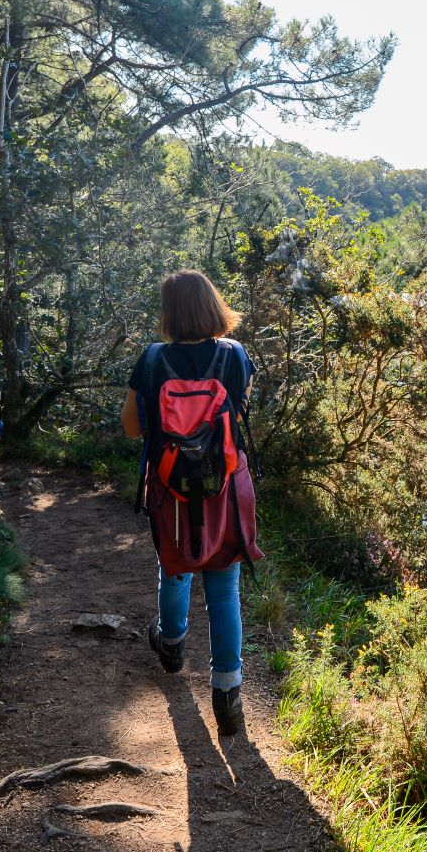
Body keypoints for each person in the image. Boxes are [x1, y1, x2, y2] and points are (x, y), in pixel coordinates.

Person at [122, 269, 257, 736]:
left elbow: (131, 427)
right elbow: (239, 412)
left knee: (174, 566)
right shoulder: (235, 356)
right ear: (211, 304)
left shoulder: (153, 358)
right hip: (223, 487)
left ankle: (173, 644)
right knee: (223, 588)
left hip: (168, 486)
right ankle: (228, 694)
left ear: (169, 312)